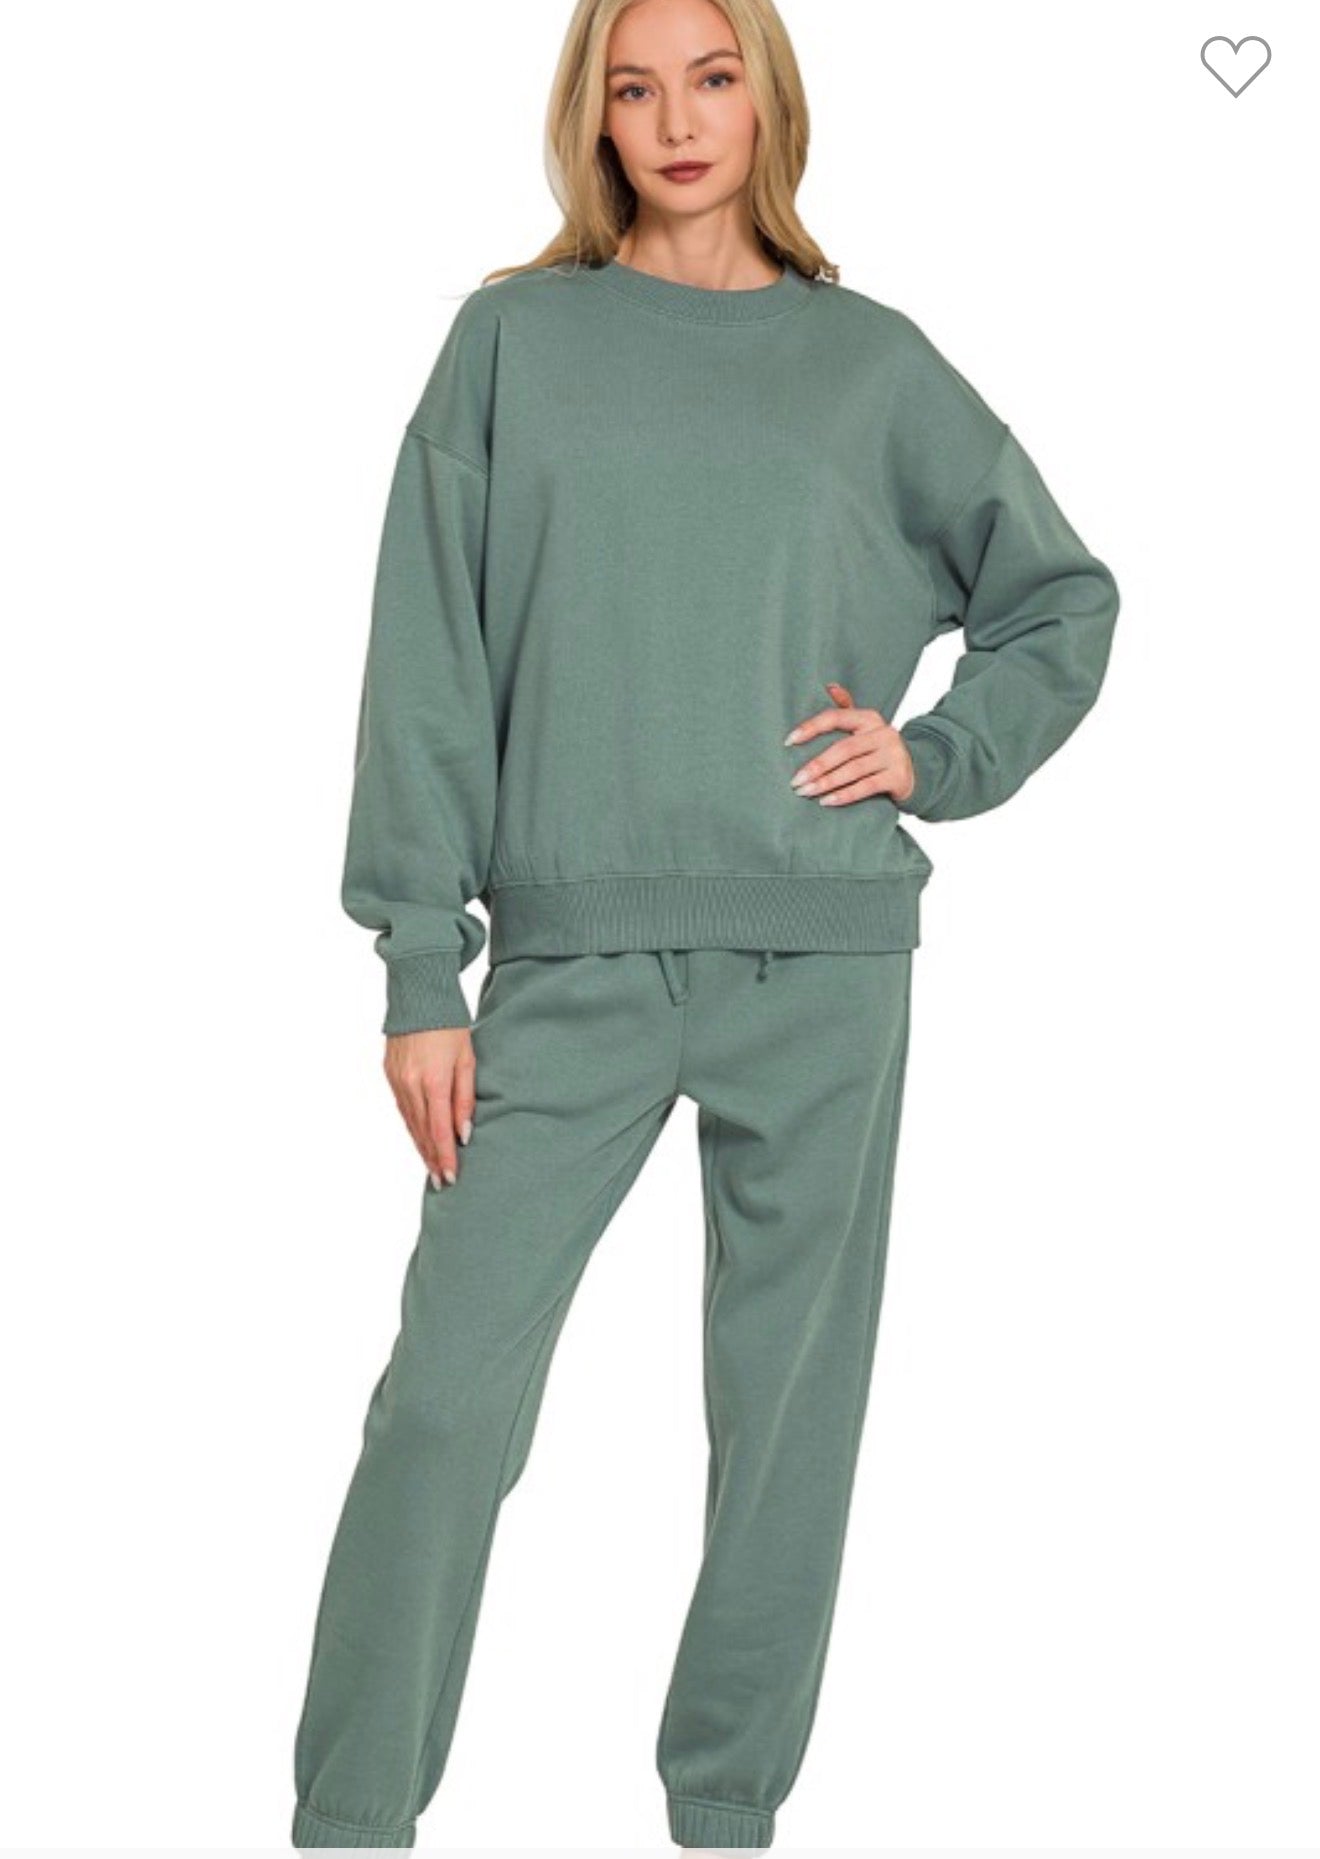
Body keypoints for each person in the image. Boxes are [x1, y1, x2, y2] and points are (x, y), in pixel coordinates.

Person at [289, 0, 1121, 1848]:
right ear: (593, 116)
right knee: (442, 1409)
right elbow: (428, 659)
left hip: (822, 961)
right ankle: (350, 1826)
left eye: (715, 77)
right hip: (563, 967)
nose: (677, 119)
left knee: (784, 1436)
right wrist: (421, 966)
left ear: (770, 98)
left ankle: (724, 1820)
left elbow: (1060, 598)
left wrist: (933, 754)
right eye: (636, 86)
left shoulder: (872, 365)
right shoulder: (511, 343)